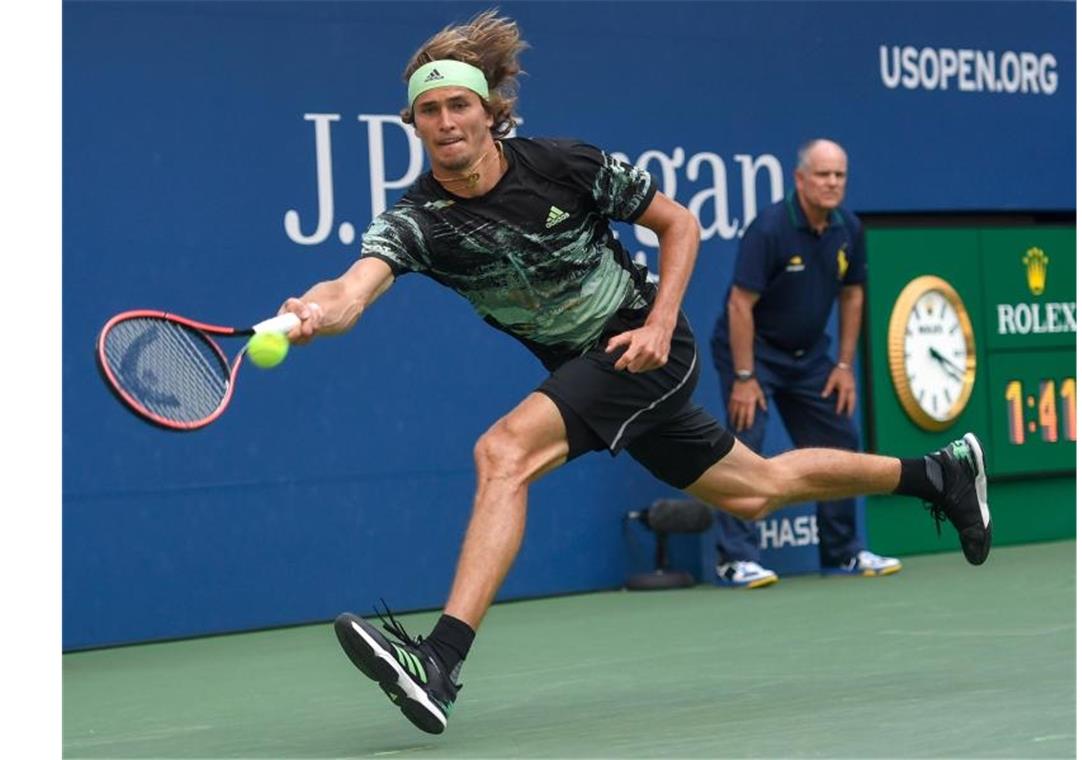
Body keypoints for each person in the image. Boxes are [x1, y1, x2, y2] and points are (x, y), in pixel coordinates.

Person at [276, 10, 992, 736]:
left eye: (459, 104)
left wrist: (657, 323)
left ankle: (442, 661)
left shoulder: (564, 164)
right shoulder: (417, 221)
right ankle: (939, 474)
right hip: (590, 368)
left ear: (491, 111)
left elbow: (679, 223)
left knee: (503, 453)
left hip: (642, 345)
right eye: (429, 110)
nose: (445, 120)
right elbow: (353, 288)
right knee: (757, 491)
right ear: (414, 123)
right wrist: (315, 310)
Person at [708, 139, 900, 588]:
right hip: (753, 354)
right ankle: (735, 559)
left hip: (811, 358)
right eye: (823, 175)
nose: (832, 183)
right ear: (800, 179)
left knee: (838, 441)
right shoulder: (770, 228)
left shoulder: (849, 228)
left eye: (839, 176)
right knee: (746, 446)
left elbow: (853, 294)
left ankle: (844, 552)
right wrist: (744, 376)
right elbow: (739, 304)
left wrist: (844, 365)